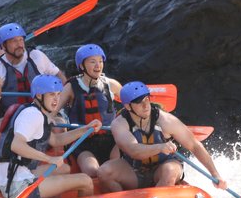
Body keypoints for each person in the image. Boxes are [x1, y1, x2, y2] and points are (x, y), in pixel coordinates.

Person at [97, 81, 228, 192]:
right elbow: (134, 151)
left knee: (170, 171)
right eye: (138, 102)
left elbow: (194, 145)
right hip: (134, 169)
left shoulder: (165, 120)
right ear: (127, 106)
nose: (145, 105)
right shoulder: (119, 123)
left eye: (147, 99)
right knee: (104, 172)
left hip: (163, 167)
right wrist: (160, 147)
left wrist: (215, 174)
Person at [0, 74, 101, 198]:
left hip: (17, 175)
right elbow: (16, 145)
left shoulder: (36, 112)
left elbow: (56, 140)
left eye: (58, 94)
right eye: (51, 95)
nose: (56, 100)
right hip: (17, 185)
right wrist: (49, 159)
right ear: (39, 96)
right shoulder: (33, 115)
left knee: (64, 169)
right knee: (86, 181)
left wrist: (86, 128)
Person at [0, 22, 65, 136]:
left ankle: (58, 152)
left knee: (58, 127)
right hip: (14, 115)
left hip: (45, 110)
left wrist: (58, 107)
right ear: (3, 46)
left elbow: (58, 75)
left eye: (21, 40)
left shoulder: (37, 56)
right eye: (14, 41)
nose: (19, 44)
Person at [58, 44, 123, 178]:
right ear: (82, 66)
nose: (98, 66)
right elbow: (52, 111)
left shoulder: (112, 84)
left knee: (115, 169)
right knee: (92, 171)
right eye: (92, 62)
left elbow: (132, 105)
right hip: (83, 141)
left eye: (100, 61)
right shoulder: (71, 87)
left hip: (111, 139)